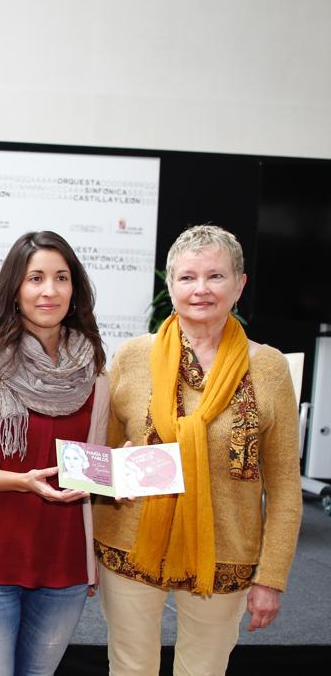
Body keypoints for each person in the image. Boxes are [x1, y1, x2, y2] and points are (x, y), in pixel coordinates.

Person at [94, 224, 302, 676]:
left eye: (216, 276)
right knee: (129, 668)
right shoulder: (132, 357)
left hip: (225, 556)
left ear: (240, 284)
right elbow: (103, 459)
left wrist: (272, 577)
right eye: (187, 277)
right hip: (128, 546)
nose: (201, 289)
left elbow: (285, 486)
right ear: (170, 286)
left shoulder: (268, 367)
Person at [0, 230, 110, 675]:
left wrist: (116, 469)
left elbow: (88, 464)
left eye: (61, 277)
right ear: (15, 290)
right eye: (35, 278)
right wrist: (18, 480)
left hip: (65, 564)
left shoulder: (95, 374)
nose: (49, 290)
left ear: (75, 291)